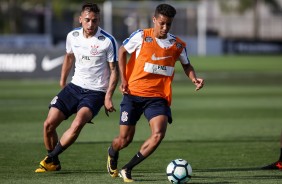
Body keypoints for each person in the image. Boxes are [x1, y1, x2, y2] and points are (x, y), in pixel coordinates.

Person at [106, 3, 204, 182]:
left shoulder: (177, 44)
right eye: (162, 23)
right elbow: (122, 51)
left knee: (158, 133)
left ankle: (127, 168)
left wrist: (193, 78)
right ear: (154, 20)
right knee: (124, 139)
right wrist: (124, 79)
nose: (165, 28)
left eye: (169, 24)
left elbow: (186, 64)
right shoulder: (142, 36)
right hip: (133, 95)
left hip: (157, 98)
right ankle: (112, 152)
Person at [35, 2, 119, 172]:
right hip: (74, 87)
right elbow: (69, 57)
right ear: (80, 19)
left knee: (78, 122)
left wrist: (108, 96)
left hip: (96, 92)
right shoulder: (72, 36)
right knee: (48, 125)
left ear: (99, 20)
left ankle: (49, 159)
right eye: (87, 20)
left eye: (94, 21)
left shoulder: (107, 41)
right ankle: (54, 162)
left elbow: (114, 70)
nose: (90, 24)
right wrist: (62, 80)